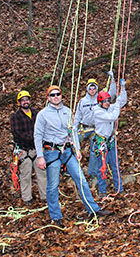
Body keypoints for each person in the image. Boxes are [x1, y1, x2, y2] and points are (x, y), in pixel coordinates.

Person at [34, 85, 111, 225]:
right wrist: (40, 156)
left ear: (61, 95)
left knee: (81, 179)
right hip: (51, 152)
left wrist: (78, 149)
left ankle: (93, 209)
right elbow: (37, 135)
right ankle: (56, 216)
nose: (55, 97)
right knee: (53, 185)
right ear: (48, 98)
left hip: (68, 151)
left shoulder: (67, 111)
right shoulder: (43, 114)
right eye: (52, 95)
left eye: (57, 94)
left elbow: (73, 131)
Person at [10, 90, 46, 206]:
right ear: (19, 103)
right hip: (23, 150)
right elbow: (17, 133)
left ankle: (44, 196)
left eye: (27, 99)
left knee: (42, 172)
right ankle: (26, 198)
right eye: (23, 100)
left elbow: (42, 127)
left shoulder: (37, 114)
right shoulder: (15, 117)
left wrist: (40, 138)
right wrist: (36, 138)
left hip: (36, 149)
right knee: (25, 174)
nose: (25, 102)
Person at [92, 79, 127, 197]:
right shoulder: (97, 111)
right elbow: (112, 117)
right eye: (105, 101)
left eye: (108, 100)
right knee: (102, 167)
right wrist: (116, 106)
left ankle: (119, 188)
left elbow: (122, 101)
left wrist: (123, 87)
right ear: (100, 102)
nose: (107, 103)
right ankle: (102, 190)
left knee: (115, 165)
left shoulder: (109, 107)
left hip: (110, 141)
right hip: (101, 141)